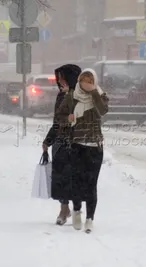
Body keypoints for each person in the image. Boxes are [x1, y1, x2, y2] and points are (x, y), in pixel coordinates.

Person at [55, 68, 109, 233]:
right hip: (77, 145)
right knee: (77, 183)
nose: (86, 84)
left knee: (91, 185)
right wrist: (68, 118)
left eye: (90, 82)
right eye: (84, 81)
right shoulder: (72, 97)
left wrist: (93, 93)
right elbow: (59, 117)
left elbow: (102, 111)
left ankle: (90, 219)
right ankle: (77, 210)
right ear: (79, 82)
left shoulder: (100, 96)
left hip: (95, 147)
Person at [42, 64, 81, 226]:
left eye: (62, 78)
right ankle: (63, 208)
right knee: (60, 177)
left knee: (74, 177)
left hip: (77, 142)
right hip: (60, 141)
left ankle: (76, 209)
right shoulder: (60, 96)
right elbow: (57, 122)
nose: (59, 82)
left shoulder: (82, 96)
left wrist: (69, 97)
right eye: (58, 79)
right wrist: (48, 140)